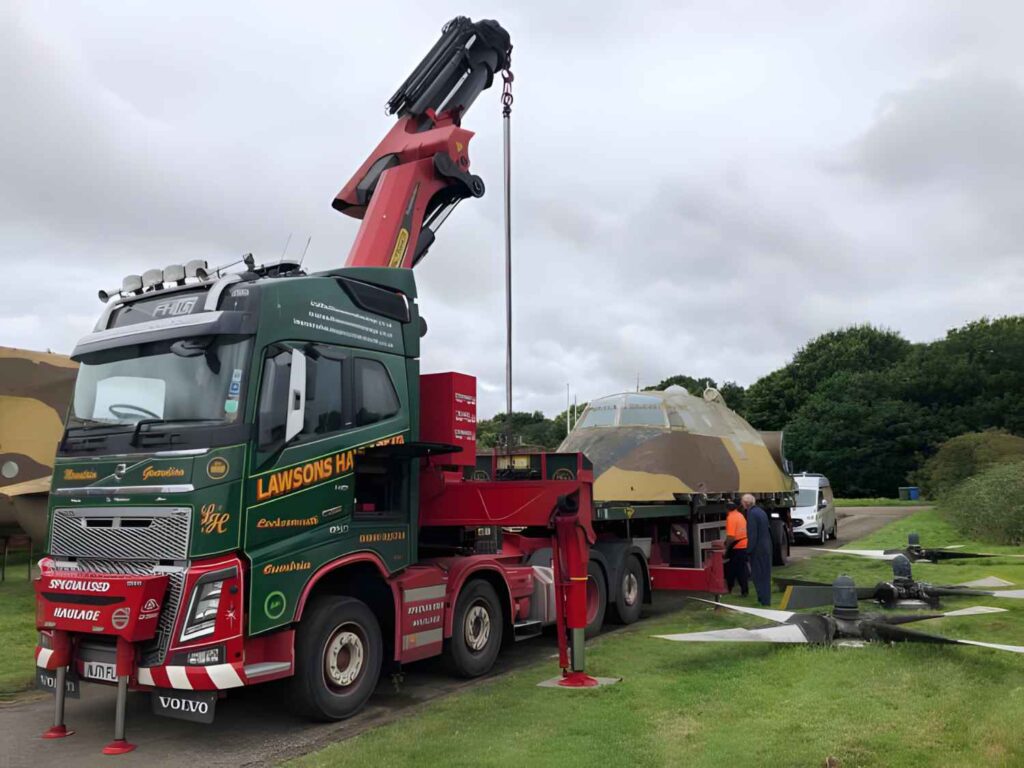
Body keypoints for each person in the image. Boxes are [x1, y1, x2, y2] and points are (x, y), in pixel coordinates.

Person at [742, 493, 772, 606]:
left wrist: (748, 550)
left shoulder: (751, 514)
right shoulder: (761, 511)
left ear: (745, 503)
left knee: (758, 575)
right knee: (765, 574)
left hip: (758, 550)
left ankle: (763, 600)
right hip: (766, 547)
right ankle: (765, 599)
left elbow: (752, 534)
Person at [723, 501, 749, 597]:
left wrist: (726, 546)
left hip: (736, 547)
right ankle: (742, 590)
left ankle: (731, 589)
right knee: (739, 569)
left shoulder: (731, 518)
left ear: (727, 509)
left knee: (733, 570)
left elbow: (731, 536)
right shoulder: (740, 515)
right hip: (743, 544)